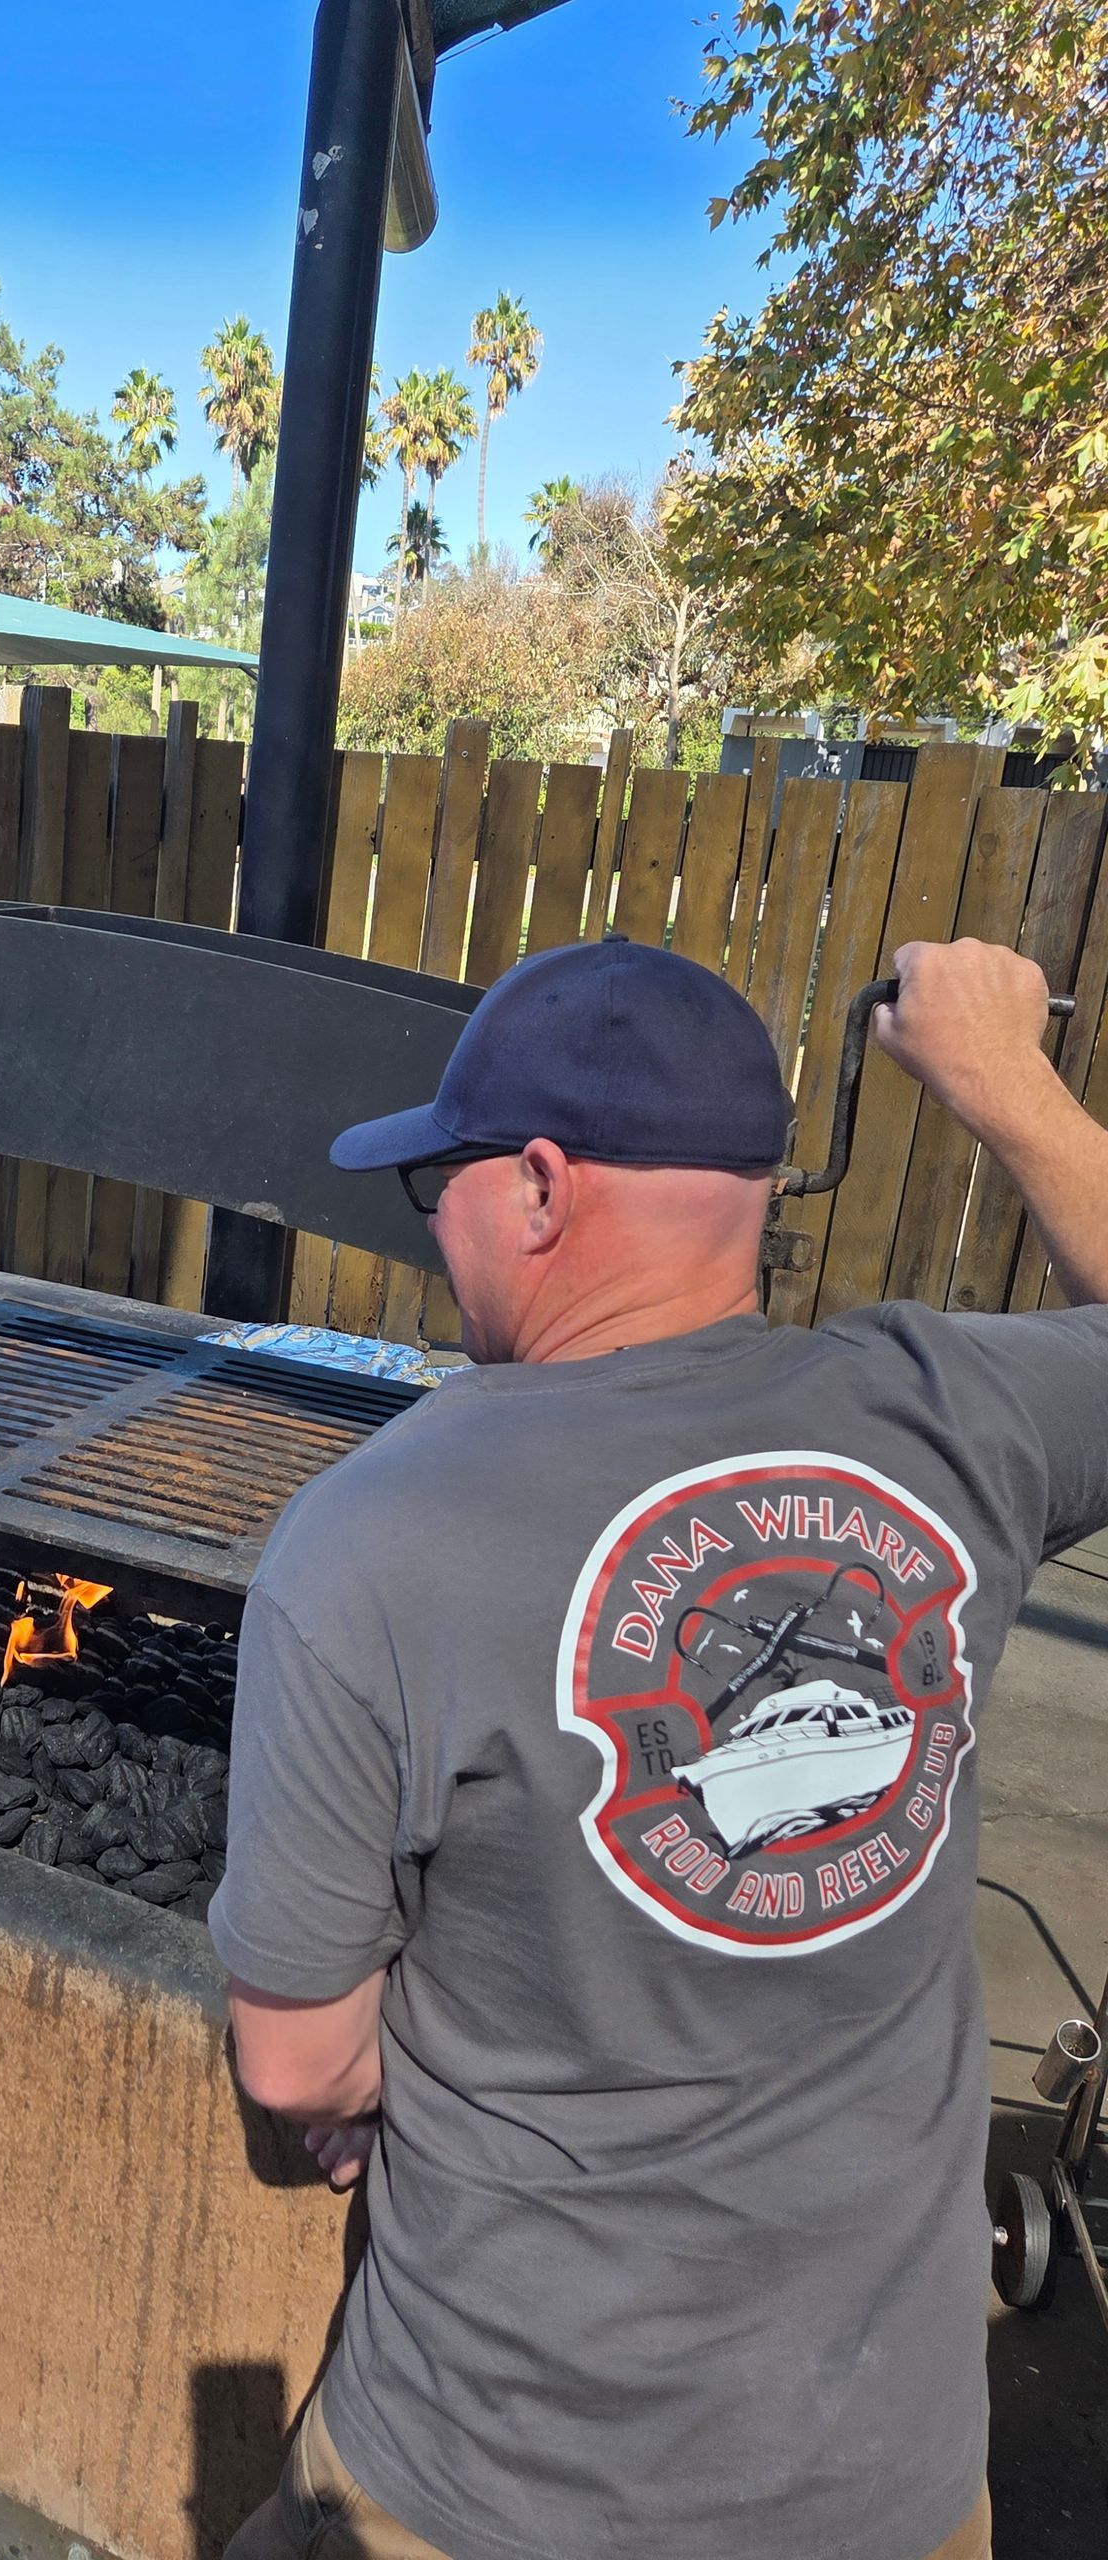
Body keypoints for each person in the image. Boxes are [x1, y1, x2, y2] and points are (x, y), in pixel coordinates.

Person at [212, 934, 1108, 2560]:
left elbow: (295, 2064)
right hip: (890, 2491)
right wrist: (1008, 1081)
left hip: (492, 2489)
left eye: (444, 1189)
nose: (440, 1233)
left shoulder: (370, 1543)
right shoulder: (952, 1411)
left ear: (540, 1190)